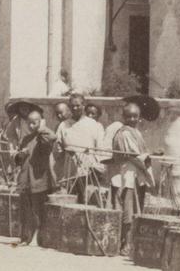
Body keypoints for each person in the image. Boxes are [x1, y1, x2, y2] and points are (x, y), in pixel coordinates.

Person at [109, 100, 155, 251]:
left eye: (135, 116)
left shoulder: (136, 132)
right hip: (127, 174)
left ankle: (131, 242)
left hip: (136, 174)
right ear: (124, 116)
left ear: (139, 117)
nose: (132, 119)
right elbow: (134, 156)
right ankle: (125, 243)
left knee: (136, 207)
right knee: (127, 209)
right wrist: (148, 160)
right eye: (129, 116)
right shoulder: (125, 132)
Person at [13, 104, 56, 247]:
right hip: (25, 179)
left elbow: (52, 137)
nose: (31, 125)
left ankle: (42, 240)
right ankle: (26, 237)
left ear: (40, 121)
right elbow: (18, 160)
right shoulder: (25, 139)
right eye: (29, 122)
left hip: (39, 179)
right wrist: (20, 154)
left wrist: (42, 128)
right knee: (26, 210)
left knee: (40, 210)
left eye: (35, 122)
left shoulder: (43, 137)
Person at [58, 92, 107, 204]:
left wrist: (98, 167)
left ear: (83, 105)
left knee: (86, 202)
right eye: (72, 106)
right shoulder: (63, 125)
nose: (75, 108)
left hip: (89, 172)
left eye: (78, 105)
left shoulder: (94, 125)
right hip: (70, 172)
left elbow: (100, 149)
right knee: (70, 203)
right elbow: (58, 149)